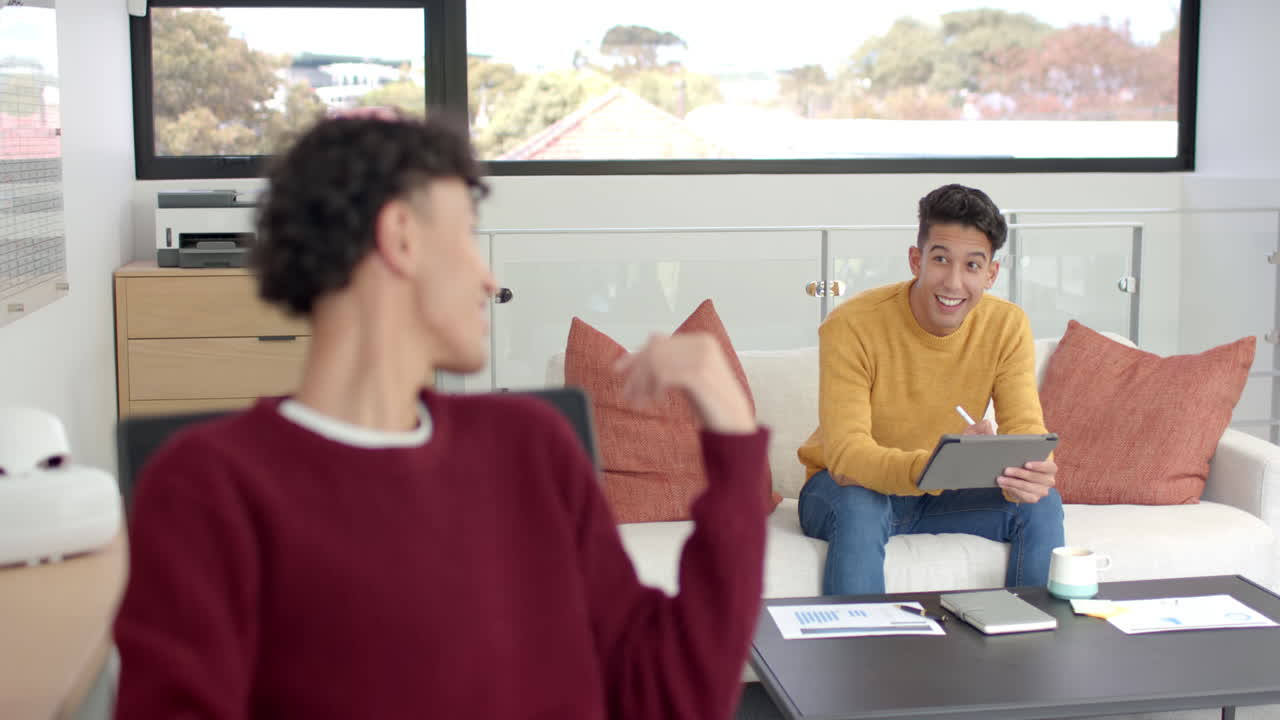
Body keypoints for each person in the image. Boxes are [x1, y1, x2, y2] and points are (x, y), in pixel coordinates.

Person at [113, 113, 771, 720]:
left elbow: (666, 691)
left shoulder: (531, 446)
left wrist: (734, 438)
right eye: (466, 237)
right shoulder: (208, 488)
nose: (488, 278)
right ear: (401, 237)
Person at [796, 183, 1063, 596]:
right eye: (941, 260)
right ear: (916, 260)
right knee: (861, 504)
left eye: (972, 265)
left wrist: (1029, 472)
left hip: (942, 491)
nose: (953, 282)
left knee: (1042, 504)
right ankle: (857, 653)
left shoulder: (1007, 325)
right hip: (844, 490)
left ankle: (1030, 647)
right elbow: (847, 457)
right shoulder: (852, 324)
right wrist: (936, 466)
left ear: (991, 273)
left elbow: (1026, 432)